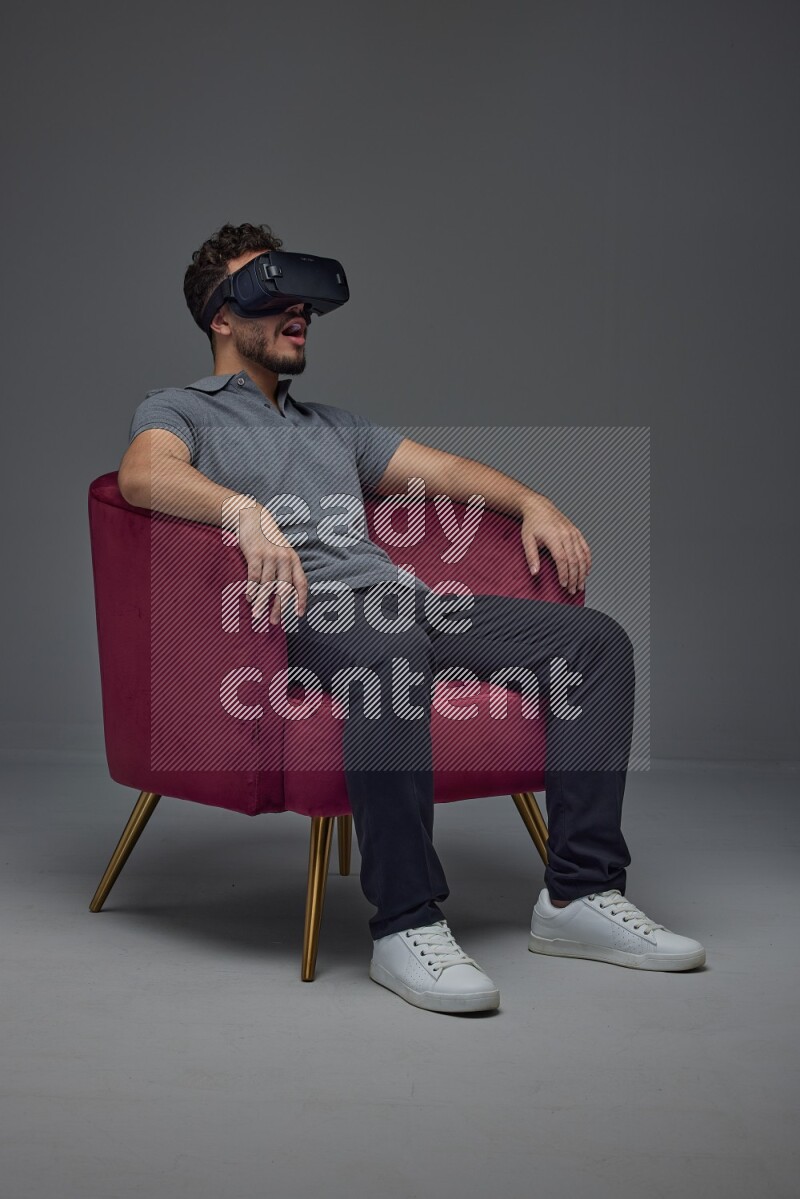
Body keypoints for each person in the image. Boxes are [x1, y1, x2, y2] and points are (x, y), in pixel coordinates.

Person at [118, 221, 705, 1015]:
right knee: (388, 650)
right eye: (273, 291)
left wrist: (533, 499)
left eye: (306, 301)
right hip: (302, 617)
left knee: (596, 645)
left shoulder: (334, 427)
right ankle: (406, 924)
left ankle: (579, 895)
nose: (300, 312)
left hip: (406, 604)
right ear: (222, 317)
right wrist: (242, 512)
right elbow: (142, 474)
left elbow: (446, 470)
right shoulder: (180, 407)